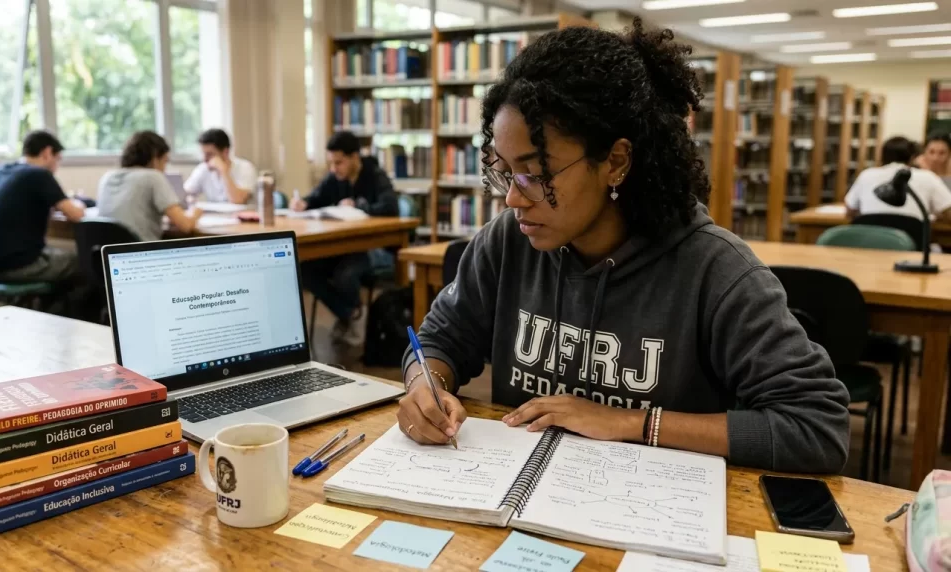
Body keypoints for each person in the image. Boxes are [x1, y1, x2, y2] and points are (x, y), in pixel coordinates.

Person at [396, 21, 850, 474]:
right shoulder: (508, 240)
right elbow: (438, 339)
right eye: (505, 171)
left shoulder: (716, 271)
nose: (513, 197)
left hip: (654, 511)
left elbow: (816, 426)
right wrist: (426, 384)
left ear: (615, 162)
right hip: (518, 498)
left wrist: (632, 423)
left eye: (536, 173)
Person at [292, 131, 399, 344]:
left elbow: (390, 207)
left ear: (355, 158)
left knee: (345, 274)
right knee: (304, 269)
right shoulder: (335, 177)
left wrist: (359, 206)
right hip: (342, 248)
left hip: (374, 249)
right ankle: (349, 313)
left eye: (339, 163)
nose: (333, 168)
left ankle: (349, 316)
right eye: (331, 163)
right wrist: (302, 203)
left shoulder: (375, 175)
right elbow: (315, 198)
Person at [0, 130, 86, 283]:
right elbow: (76, 215)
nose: (57, 167)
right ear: (47, 153)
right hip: (21, 266)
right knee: (88, 262)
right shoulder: (39, 174)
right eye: (57, 159)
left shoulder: (0, 171)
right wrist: (80, 202)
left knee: (61, 256)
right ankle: (61, 307)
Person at [97, 131, 203, 242]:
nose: (164, 169)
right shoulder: (153, 176)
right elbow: (185, 225)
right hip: (142, 253)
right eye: (165, 161)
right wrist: (195, 212)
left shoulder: (107, 177)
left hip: (108, 255)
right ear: (155, 158)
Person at [846, 136, 951, 222]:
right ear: (912, 158)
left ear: (882, 157)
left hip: (869, 243)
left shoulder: (866, 175)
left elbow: (850, 211)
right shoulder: (927, 177)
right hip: (912, 245)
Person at [183, 128, 257, 204]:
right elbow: (184, 194)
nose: (204, 159)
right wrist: (189, 198)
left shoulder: (245, 168)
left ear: (225, 152)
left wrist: (223, 170)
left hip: (238, 215)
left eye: (209, 154)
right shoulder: (203, 169)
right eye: (203, 153)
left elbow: (237, 200)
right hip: (214, 215)